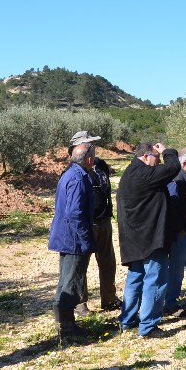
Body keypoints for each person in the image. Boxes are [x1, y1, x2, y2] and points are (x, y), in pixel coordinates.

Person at [116, 142, 180, 338]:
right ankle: (148, 325)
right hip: (150, 237)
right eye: (156, 157)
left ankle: (127, 320)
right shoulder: (145, 173)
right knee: (156, 279)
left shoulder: (130, 172)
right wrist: (168, 151)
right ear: (145, 156)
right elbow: (173, 168)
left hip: (134, 237)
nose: (159, 160)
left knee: (135, 278)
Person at [48, 142, 97, 338]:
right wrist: (85, 239)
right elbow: (75, 213)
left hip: (66, 236)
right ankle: (67, 328)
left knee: (66, 280)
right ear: (89, 159)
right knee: (71, 282)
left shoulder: (71, 174)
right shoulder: (77, 178)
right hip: (73, 238)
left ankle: (64, 324)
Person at [68, 131, 119, 314]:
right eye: (90, 144)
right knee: (82, 263)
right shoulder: (75, 171)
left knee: (108, 262)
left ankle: (109, 298)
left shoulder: (101, 165)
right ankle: (80, 303)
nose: (94, 148)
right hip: (89, 222)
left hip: (104, 220)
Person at [163, 147, 186, 316]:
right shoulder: (177, 180)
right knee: (176, 270)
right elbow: (172, 207)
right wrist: (179, 230)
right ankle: (170, 303)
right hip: (181, 232)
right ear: (185, 163)